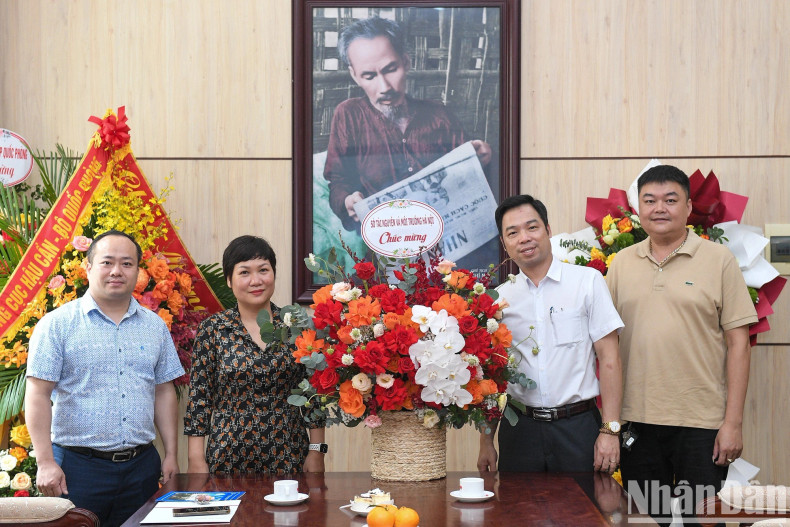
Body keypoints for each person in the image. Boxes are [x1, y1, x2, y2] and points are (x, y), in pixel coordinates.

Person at [606, 165, 758, 525]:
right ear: (637, 209)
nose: (660, 208)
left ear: (689, 207)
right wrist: (610, 424)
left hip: (701, 424)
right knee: (645, 520)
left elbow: (740, 344)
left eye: (670, 200)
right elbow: (604, 346)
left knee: (702, 521)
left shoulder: (719, 260)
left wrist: (732, 423)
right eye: (650, 200)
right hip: (636, 423)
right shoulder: (622, 264)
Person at [25, 229, 183, 527]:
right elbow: (37, 394)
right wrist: (45, 462)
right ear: (87, 267)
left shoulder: (154, 326)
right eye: (107, 262)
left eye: (127, 263)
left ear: (138, 271)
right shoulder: (56, 325)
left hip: (141, 468)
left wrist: (171, 454)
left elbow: (164, 391)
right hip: (77, 469)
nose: (116, 271)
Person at [477, 195, 624, 473]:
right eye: (513, 232)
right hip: (520, 430)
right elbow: (492, 378)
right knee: (519, 514)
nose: (524, 238)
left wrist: (610, 430)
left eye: (532, 227)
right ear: (504, 243)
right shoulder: (500, 300)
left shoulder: (586, 282)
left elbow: (610, 359)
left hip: (578, 427)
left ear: (548, 230)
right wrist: (486, 441)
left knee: (583, 515)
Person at [324, 16, 492, 230]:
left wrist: (484, 158)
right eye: (369, 76)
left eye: (390, 69)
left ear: (406, 62)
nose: (384, 87)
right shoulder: (348, 116)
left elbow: (472, 176)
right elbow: (338, 181)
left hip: (450, 237)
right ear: (355, 76)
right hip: (388, 241)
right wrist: (347, 201)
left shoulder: (439, 115)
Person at [184, 235, 326, 474]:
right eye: (244, 272)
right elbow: (199, 398)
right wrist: (196, 459)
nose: (256, 280)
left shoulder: (297, 327)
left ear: (274, 274)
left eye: (263, 270)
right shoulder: (213, 329)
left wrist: (317, 451)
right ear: (229, 280)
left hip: (290, 456)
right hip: (226, 458)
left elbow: (314, 395)